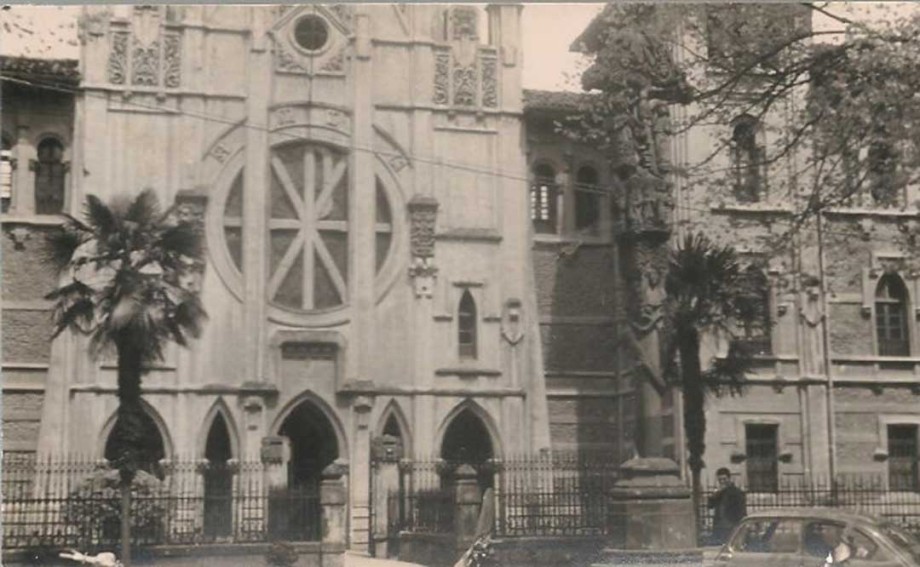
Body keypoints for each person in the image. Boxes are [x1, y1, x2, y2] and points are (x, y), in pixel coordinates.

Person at [708, 467, 747, 545]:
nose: (722, 482)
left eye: (724, 479)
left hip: (731, 525)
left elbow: (741, 511)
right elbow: (710, 506)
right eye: (720, 480)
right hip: (719, 526)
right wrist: (716, 494)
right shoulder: (718, 493)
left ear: (729, 478)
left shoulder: (736, 492)